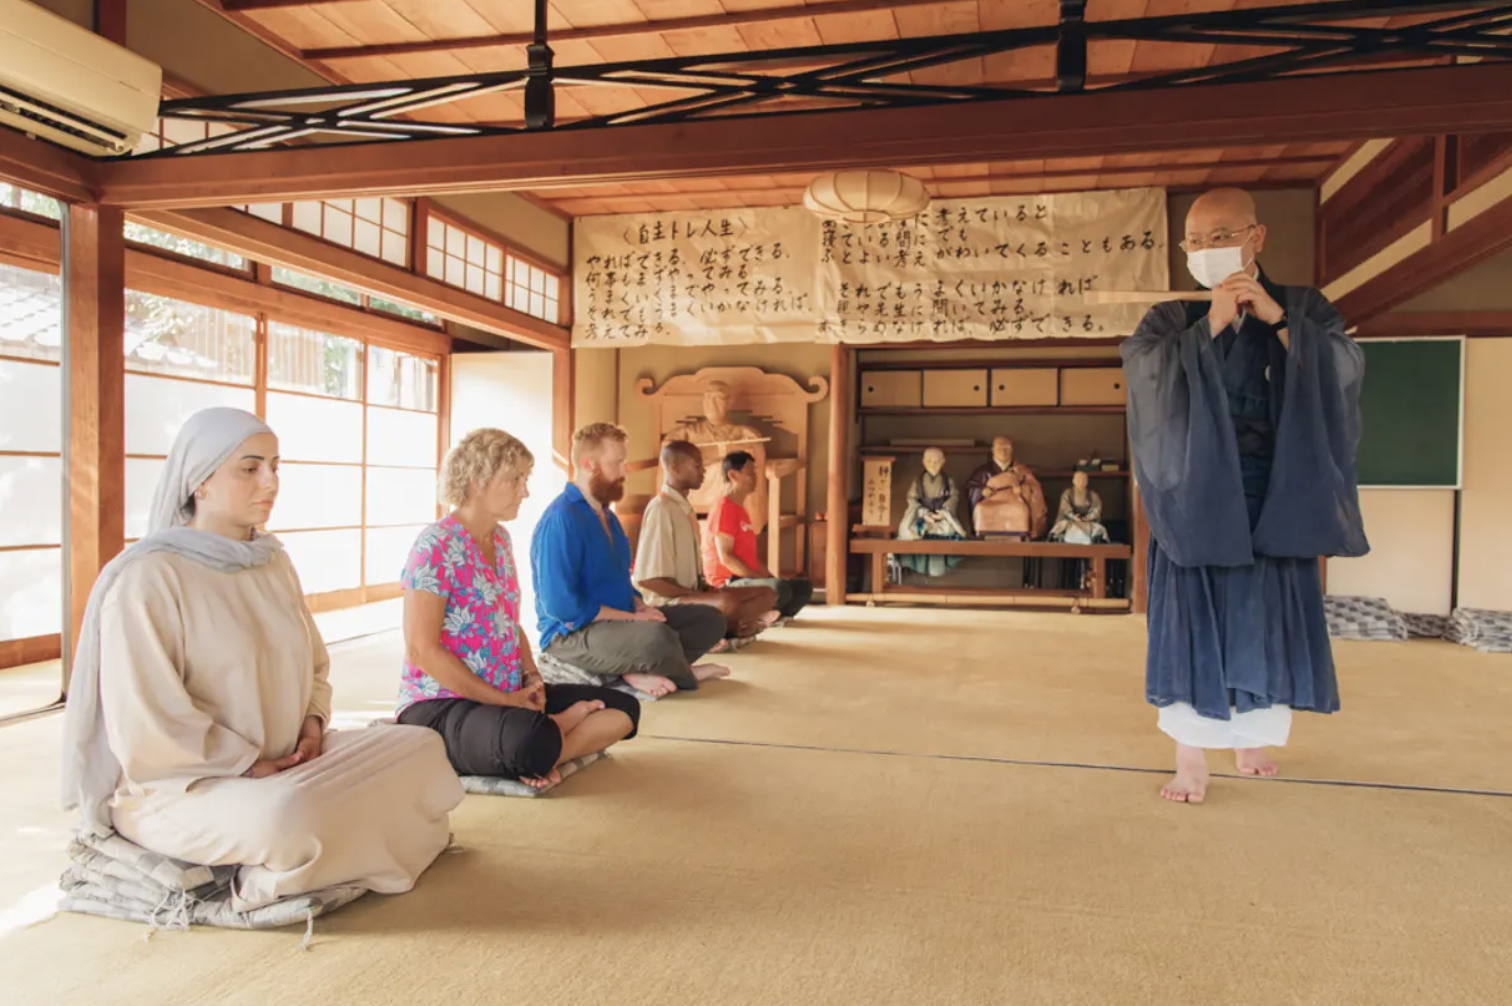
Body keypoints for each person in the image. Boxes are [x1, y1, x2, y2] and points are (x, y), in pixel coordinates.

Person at [59, 407, 462, 912]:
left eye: (275, 466)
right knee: (290, 816)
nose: (270, 481)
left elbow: (314, 662)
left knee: (420, 747)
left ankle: (322, 845)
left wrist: (313, 727)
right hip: (188, 788)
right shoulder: (148, 579)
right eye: (250, 468)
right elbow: (147, 719)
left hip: (293, 762)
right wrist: (250, 764)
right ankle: (290, 864)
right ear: (199, 481)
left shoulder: (272, 561)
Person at [1122, 187, 1369, 804]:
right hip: (1196, 492)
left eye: (1221, 236)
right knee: (1192, 617)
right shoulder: (1172, 318)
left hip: (1274, 488)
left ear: (1256, 237)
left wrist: (1281, 324)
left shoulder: (1301, 306)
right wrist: (1210, 326)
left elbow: (1344, 371)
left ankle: (1251, 736)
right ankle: (1190, 758)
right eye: (1195, 241)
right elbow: (1145, 378)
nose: (1206, 250)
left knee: (1264, 617)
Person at [399, 428, 639, 790]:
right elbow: (421, 650)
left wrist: (531, 679)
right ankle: (548, 738)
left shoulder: (500, 539)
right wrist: (505, 701)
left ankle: (551, 747)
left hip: (507, 695)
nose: (524, 491)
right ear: (478, 481)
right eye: (515, 480)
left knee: (625, 709)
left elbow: (508, 624)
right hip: (443, 704)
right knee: (529, 740)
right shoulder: (435, 545)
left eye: (525, 480)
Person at [532, 422, 730, 698]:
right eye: (617, 463)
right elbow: (562, 607)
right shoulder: (561, 519)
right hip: (571, 636)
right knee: (655, 638)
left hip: (618, 624)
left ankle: (655, 667)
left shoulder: (607, 517)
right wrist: (629, 619)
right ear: (589, 464)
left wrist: (638, 607)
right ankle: (683, 673)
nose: (624, 470)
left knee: (709, 620)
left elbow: (621, 580)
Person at [633, 439, 779, 648]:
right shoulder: (661, 508)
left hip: (692, 595)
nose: (703, 471)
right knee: (726, 602)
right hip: (666, 603)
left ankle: (725, 630)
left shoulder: (684, 508)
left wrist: (705, 590)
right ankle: (722, 632)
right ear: (675, 468)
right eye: (697, 465)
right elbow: (648, 581)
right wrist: (696, 595)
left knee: (767, 592)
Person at [702, 451, 813, 622]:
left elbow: (751, 560)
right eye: (750, 472)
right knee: (778, 588)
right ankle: (760, 615)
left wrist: (768, 577)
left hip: (746, 579)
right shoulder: (725, 509)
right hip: (726, 583)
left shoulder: (741, 511)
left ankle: (770, 616)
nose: (755, 477)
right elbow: (726, 557)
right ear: (733, 475)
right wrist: (761, 580)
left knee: (802, 587)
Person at [893, 446, 968, 577]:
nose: (933, 465)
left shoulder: (948, 481)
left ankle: (937, 567)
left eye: (937, 461)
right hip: (921, 514)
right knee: (908, 530)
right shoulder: (918, 481)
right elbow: (911, 498)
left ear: (943, 461)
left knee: (952, 531)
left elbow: (954, 496)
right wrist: (923, 513)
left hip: (942, 514)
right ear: (923, 462)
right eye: (929, 461)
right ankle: (917, 565)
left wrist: (944, 512)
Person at [965, 435, 1048, 538]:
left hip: (1015, 502)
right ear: (993, 450)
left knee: (1020, 510)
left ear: (1012, 450)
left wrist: (1022, 490)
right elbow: (972, 487)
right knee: (981, 509)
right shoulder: (983, 471)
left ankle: (1022, 534)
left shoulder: (1021, 470)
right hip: (990, 502)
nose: (1003, 451)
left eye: (1006, 448)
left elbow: (1033, 487)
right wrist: (983, 491)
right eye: (999, 448)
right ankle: (982, 534)